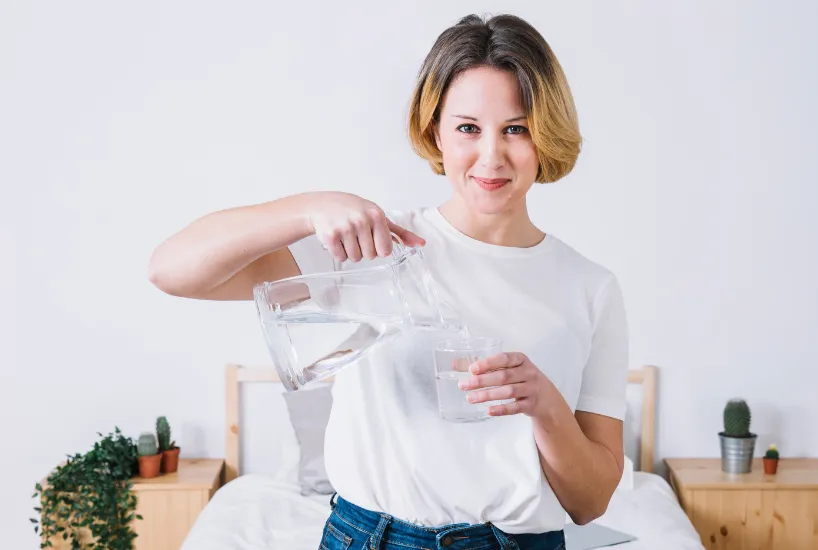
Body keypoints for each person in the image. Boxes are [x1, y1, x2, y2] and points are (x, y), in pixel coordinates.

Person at [149, 13, 629, 550]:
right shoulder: (374, 246)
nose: (491, 156)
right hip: (368, 537)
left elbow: (590, 503)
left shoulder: (591, 289)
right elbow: (171, 270)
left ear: (545, 134)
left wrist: (545, 405)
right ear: (436, 131)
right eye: (468, 128)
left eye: (515, 129)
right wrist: (308, 207)